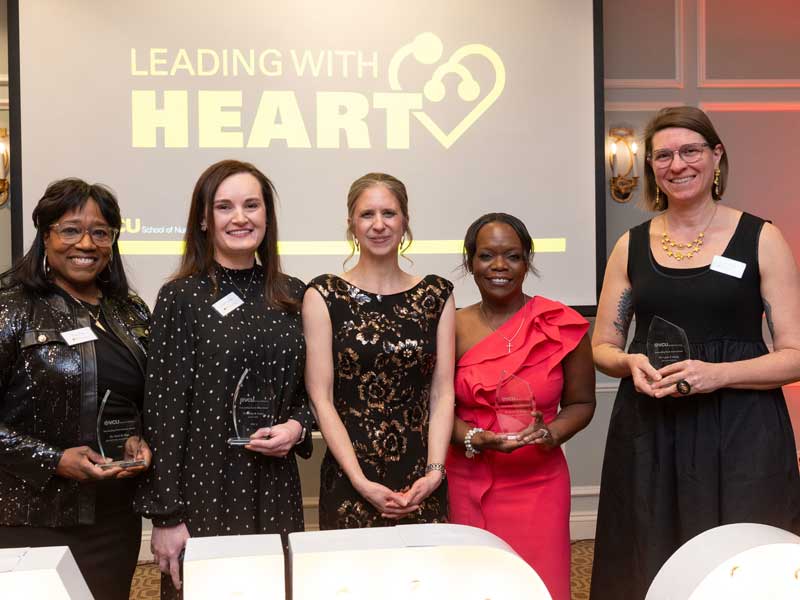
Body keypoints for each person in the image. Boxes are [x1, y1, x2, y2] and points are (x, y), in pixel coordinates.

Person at [590, 106, 800, 599]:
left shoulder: (762, 238)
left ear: (716, 156)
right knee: (647, 553)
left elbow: (795, 355)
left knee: (743, 562)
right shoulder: (630, 245)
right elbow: (602, 346)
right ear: (650, 168)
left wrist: (716, 375)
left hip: (742, 431)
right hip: (651, 429)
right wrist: (628, 362)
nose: (677, 164)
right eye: (663, 155)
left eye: (690, 151)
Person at [134, 160, 313, 599]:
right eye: (224, 206)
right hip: (205, 490)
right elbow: (162, 413)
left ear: (267, 216)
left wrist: (297, 426)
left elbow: (313, 393)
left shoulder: (293, 294)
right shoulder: (181, 296)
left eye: (252, 205)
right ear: (203, 218)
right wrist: (167, 516)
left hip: (274, 485)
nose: (240, 218)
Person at [0, 178, 152, 600]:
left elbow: (147, 400)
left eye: (100, 232)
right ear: (45, 235)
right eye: (70, 229)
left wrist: (139, 438)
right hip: (29, 520)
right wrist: (53, 460)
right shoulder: (10, 307)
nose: (86, 243)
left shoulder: (131, 309)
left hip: (112, 518)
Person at [445, 213, 595, 600]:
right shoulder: (451, 326)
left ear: (527, 260)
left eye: (511, 256)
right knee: (474, 585)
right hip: (468, 476)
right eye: (486, 256)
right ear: (470, 262)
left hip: (539, 482)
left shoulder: (560, 323)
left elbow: (581, 403)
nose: (499, 266)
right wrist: (479, 438)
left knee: (539, 585)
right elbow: (437, 408)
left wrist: (553, 433)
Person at [303, 172, 455, 529]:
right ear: (351, 225)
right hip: (350, 479)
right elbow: (320, 398)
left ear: (405, 222)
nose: (378, 225)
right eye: (366, 215)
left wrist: (434, 472)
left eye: (389, 213)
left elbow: (442, 391)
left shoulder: (436, 295)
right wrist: (359, 482)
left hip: (421, 480)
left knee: (423, 580)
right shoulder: (324, 294)